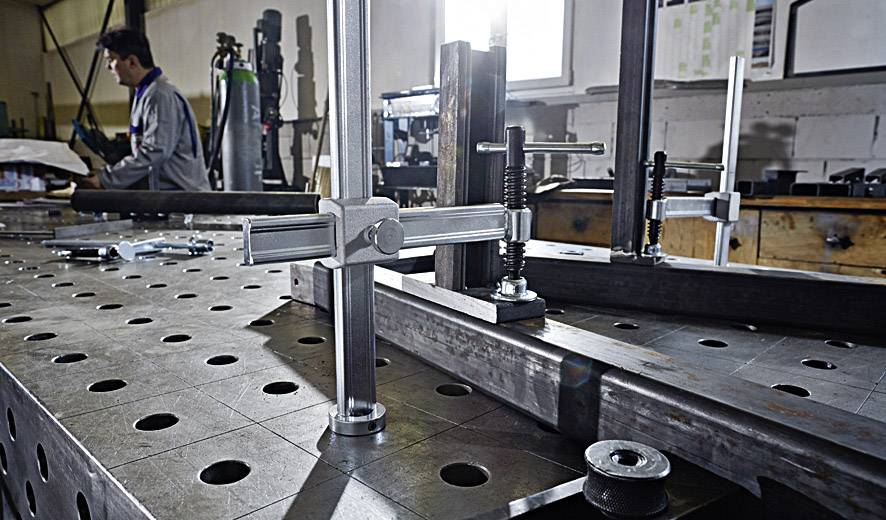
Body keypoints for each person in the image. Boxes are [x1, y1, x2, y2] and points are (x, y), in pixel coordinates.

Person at [80, 27, 210, 191]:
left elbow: (155, 152)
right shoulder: (146, 93)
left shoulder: (160, 95)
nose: (108, 67)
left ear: (132, 61)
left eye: (111, 60)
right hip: (169, 197)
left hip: (183, 200)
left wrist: (106, 179)